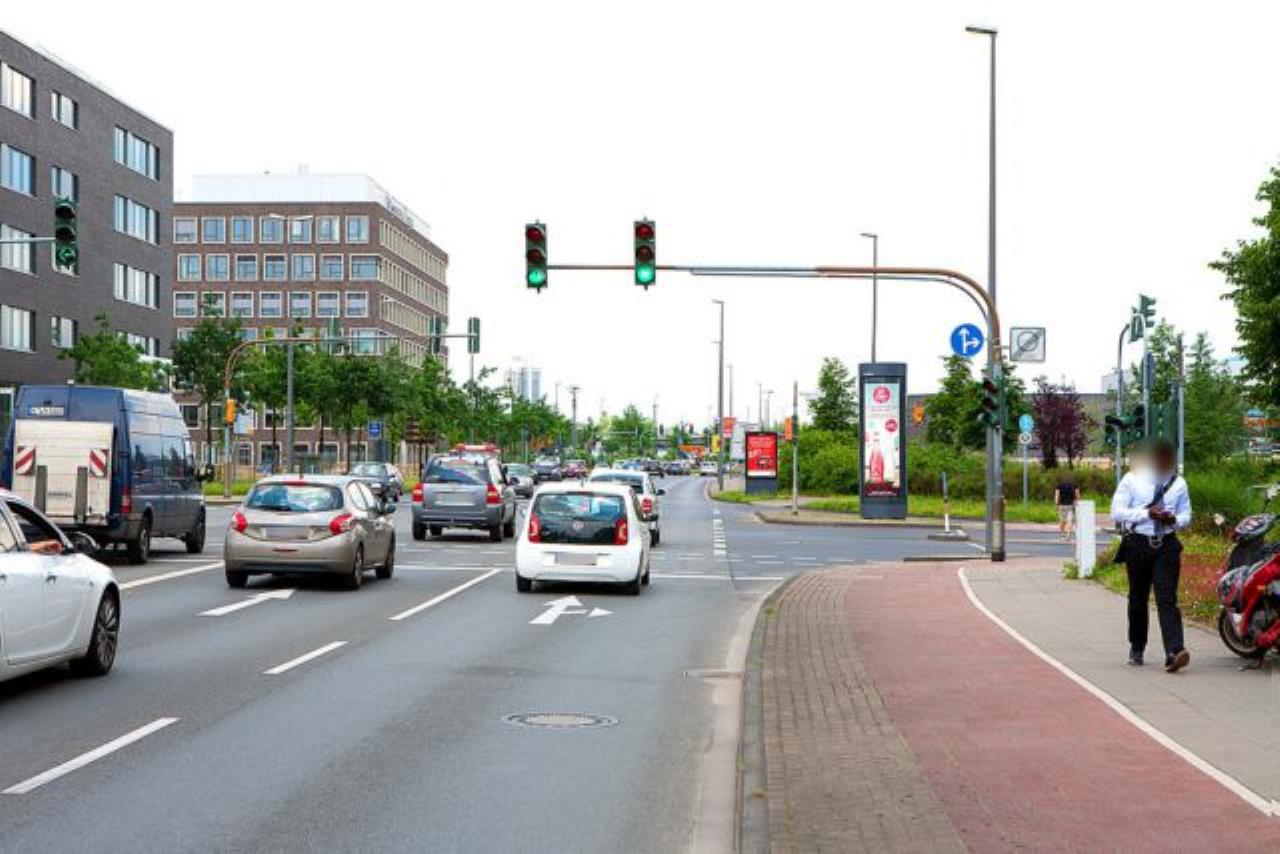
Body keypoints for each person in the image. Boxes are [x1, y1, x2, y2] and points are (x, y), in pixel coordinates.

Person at [1110, 439, 1192, 672]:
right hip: (1138, 543)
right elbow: (1117, 512)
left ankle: (1174, 651)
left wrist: (1173, 519)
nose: (1167, 462)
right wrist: (1147, 514)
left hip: (1166, 545)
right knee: (1138, 598)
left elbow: (1186, 516)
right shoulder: (1133, 479)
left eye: (1170, 458)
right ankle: (1137, 647)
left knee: (1167, 598)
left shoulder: (1179, 483)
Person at [1054, 474, 1079, 541]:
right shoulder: (1074, 485)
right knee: (1069, 521)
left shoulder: (1059, 486)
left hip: (1062, 505)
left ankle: (1062, 535)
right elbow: (1077, 495)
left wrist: (1056, 504)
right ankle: (1068, 536)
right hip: (1071, 505)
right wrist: (1077, 502)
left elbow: (1057, 495)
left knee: (1062, 520)